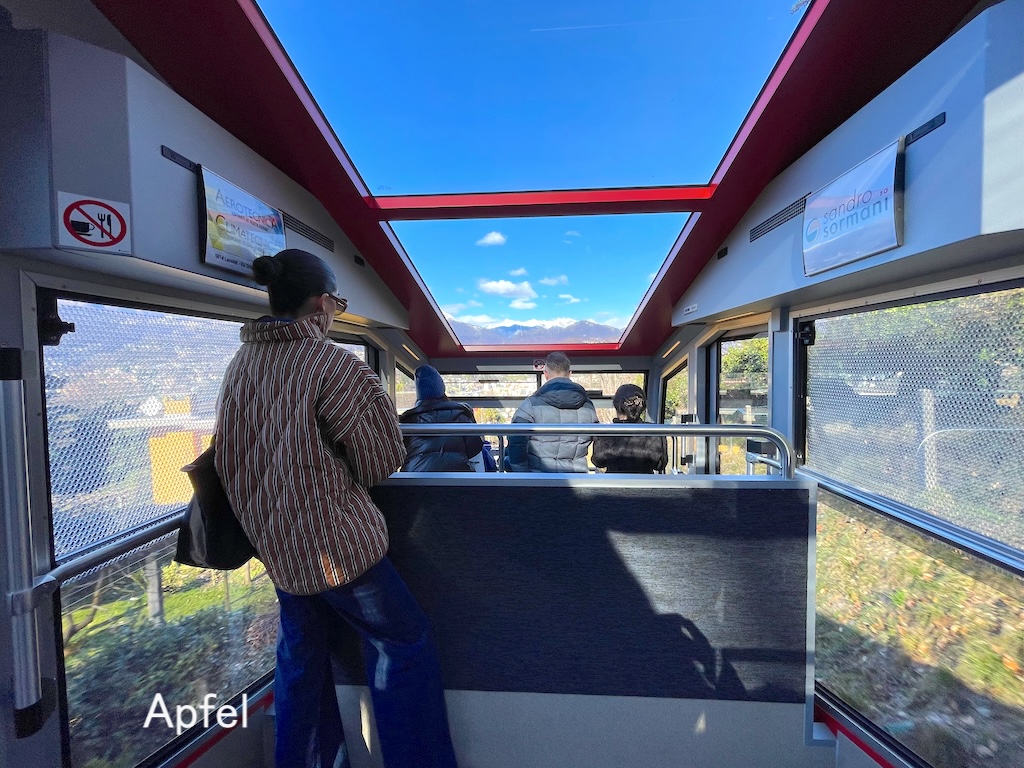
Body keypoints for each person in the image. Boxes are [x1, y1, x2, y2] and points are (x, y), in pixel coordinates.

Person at [214, 248, 457, 768]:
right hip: (338, 549)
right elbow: (381, 459)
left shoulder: (240, 367)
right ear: (323, 303)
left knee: (301, 660)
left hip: (278, 549)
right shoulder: (334, 365)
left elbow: (229, 455)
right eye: (338, 304)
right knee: (402, 643)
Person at [506, 351, 598, 472]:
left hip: (539, 476)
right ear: (570, 373)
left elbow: (516, 442)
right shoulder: (588, 405)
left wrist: (522, 473)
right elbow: (597, 438)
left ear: (545, 374)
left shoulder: (530, 405)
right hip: (576, 476)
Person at [399, 365, 484, 472]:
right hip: (456, 478)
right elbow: (476, 457)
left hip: (415, 479)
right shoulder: (461, 416)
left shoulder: (408, 422)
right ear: (442, 388)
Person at [591, 384, 669, 473]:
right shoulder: (655, 432)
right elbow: (660, 465)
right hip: (646, 481)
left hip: (614, 481)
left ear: (616, 406)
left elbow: (598, 462)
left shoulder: (604, 433)